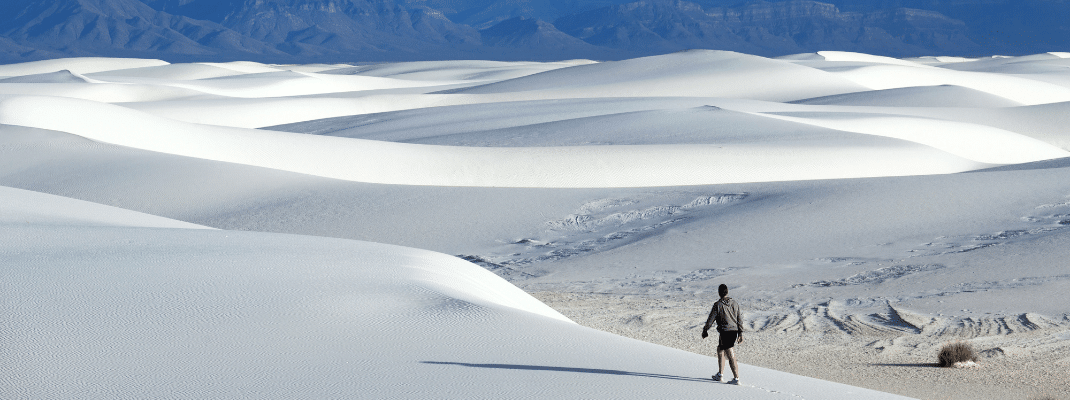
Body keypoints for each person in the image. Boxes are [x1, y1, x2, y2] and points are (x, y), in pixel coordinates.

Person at [701, 284, 743, 385]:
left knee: (730, 353)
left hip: (726, 332)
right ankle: (720, 374)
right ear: (727, 292)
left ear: (719, 293)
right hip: (733, 331)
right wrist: (740, 332)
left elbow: (711, 319)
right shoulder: (735, 303)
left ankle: (736, 378)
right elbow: (739, 319)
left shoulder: (718, 305)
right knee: (720, 349)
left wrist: (705, 329)